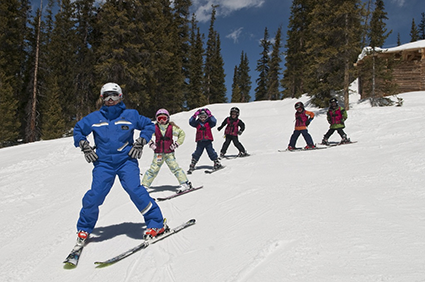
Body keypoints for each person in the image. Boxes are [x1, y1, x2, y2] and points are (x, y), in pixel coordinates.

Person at [72, 82, 166, 246]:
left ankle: (157, 223)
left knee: (135, 190)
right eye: (106, 95)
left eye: (114, 95)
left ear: (120, 96)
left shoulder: (130, 115)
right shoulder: (94, 118)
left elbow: (148, 125)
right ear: (102, 98)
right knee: (95, 194)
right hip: (103, 164)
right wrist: (84, 145)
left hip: (126, 161)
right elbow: (78, 129)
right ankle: (85, 228)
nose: (110, 99)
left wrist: (141, 141)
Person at [142, 108, 193, 193]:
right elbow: (147, 134)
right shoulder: (154, 128)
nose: (162, 121)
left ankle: (185, 183)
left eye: (164, 118)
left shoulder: (171, 128)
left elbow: (182, 134)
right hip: (158, 153)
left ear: (168, 119)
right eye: (159, 119)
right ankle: (144, 186)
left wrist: (176, 144)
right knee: (153, 169)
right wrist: (151, 143)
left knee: (175, 168)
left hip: (169, 153)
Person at [188, 108, 222, 173]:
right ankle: (193, 163)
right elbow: (191, 122)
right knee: (198, 152)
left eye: (204, 117)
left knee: (211, 151)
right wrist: (194, 115)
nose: (203, 119)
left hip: (208, 140)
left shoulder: (209, 123)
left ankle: (216, 162)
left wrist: (210, 115)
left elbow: (214, 122)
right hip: (200, 141)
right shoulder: (197, 123)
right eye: (201, 117)